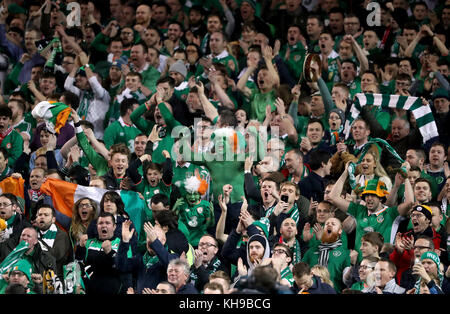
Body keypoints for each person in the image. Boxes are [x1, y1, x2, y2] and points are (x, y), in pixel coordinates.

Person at [117, 220, 178, 293]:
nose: (150, 240)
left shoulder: (173, 257)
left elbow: (171, 266)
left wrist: (155, 242)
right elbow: (121, 266)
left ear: (164, 240)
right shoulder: (140, 258)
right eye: (149, 237)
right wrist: (124, 241)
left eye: (155, 237)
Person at [75, 212, 127, 294]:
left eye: (107, 223)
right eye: (100, 223)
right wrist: (80, 247)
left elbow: (125, 268)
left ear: (114, 227)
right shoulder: (89, 243)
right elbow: (78, 264)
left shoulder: (122, 244)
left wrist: (110, 253)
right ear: (96, 226)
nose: (103, 225)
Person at [302, 217, 350, 292]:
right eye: (327, 224)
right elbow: (301, 272)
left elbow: (347, 280)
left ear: (340, 231)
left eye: (333, 224)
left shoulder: (345, 253)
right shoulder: (312, 250)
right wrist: (305, 242)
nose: (329, 225)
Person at [34, 205, 71, 279]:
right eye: (40, 215)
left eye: (46, 215)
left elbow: (55, 256)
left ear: (53, 219)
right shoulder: (32, 233)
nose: (42, 217)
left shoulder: (61, 235)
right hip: (34, 275)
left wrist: (38, 241)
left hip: (54, 277)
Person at [0, 193, 32, 262]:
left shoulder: (26, 227)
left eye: (5, 204)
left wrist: (4, 241)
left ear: (14, 207)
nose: (1, 207)